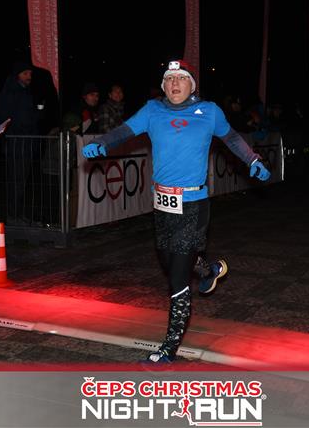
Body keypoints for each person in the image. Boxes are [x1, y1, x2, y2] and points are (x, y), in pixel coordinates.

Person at [82, 59, 271, 364]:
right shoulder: (152, 111)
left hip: (194, 204)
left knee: (177, 276)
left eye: (181, 78)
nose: (174, 84)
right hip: (162, 204)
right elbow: (125, 130)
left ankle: (168, 349)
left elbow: (232, 138)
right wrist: (103, 143)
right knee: (169, 261)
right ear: (163, 85)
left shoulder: (209, 111)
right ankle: (209, 270)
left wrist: (253, 160)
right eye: (169, 79)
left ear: (191, 85)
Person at [0, 62, 42, 223]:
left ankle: (18, 214)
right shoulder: (9, 92)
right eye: (25, 73)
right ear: (17, 74)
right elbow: (1, 116)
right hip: (15, 144)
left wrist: (38, 115)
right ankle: (13, 216)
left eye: (30, 74)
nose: (29, 77)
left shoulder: (27, 93)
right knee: (15, 181)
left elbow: (30, 118)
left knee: (22, 182)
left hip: (26, 144)